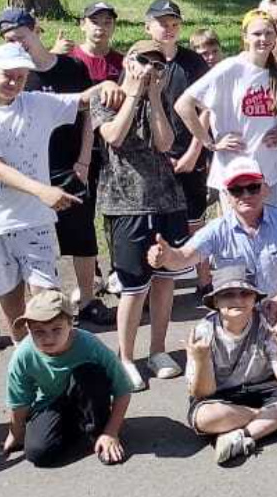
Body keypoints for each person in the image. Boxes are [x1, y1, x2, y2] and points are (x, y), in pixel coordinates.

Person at [0, 42, 106, 340]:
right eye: (8, 75)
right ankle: (23, 352)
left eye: (21, 77)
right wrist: (42, 190)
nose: (14, 83)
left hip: (35, 220)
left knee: (48, 301)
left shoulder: (37, 103)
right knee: (12, 303)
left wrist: (109, 86)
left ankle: (54, 358)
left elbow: (82, 100)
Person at [0, 7, 117, 326]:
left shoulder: (71, 66)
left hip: (71, 162)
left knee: (81, 233)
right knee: (39, 238)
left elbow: (88, 112)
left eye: (21, 37)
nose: (17, 44)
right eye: (9, 40)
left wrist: (84, 158)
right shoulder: (16, 76)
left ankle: (88, 299)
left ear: (35, 30)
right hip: (33, 169)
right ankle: (48, 307)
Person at [93, 39, 187, 389]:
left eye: (157, 64)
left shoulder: (159, 98)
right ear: (127, 62)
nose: (149, 69)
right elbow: (114, 136)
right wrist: (133, 93)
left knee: (164, 279)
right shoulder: (106, 96)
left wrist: (155, 97)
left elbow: (164, 143)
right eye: (142, 61)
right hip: (126, 203)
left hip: (166, 201)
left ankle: (157, 350)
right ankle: (126, 357)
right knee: (133, 286)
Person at [147, 158, 277, 341]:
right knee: (203, 334)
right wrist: (166, 257)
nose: (245, 195)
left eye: (253, 187)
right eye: (236, 190)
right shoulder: (216, 229)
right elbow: (184, 257)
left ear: (265, 189)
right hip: (237, 309)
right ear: (226, 196)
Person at [185, 267, 277, 465]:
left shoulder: (267, 322)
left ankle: (242, 436)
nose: (238, 299)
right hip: (223, 396)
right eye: (228, 294)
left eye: (245, 293)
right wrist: (202, 359)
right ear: (216, 302)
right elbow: (203, 392)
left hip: (264, 387)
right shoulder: (203, 331)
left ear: (255, 298)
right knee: (204, 418)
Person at [1, 290, 133, 467]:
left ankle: (99, 432)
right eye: (39, 332)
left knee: (89, 373)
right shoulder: (23, 355)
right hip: (51, 402)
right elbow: (19, 401)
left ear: (71, 323)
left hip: (86, 394)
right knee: (38, 453)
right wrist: (15, 434)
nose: (48, 338)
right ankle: (77, 428)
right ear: (28, 329)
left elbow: (123, 389)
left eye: (56, 329)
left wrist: (111, 431)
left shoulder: (90, 345)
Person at [142, 0, 215, 298]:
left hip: (188, 152)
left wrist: (194, 151)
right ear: (147, 27)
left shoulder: (193, 62)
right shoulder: (141, 61)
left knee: (195, 217)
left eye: (174, 24)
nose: (169, 29)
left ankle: (204, 279)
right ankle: (154, 280)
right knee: (154, 221)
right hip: (152, 157)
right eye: (162, 24)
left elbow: (207, 109)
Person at [177, 10, 277, 201]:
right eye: (257, 34)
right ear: (245, 37)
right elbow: (183, 105)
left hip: (269, 171)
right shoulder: (230, 67)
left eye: (269, 33)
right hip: (234, 171)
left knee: (271, 221)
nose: (263, 39)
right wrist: (210, 143)